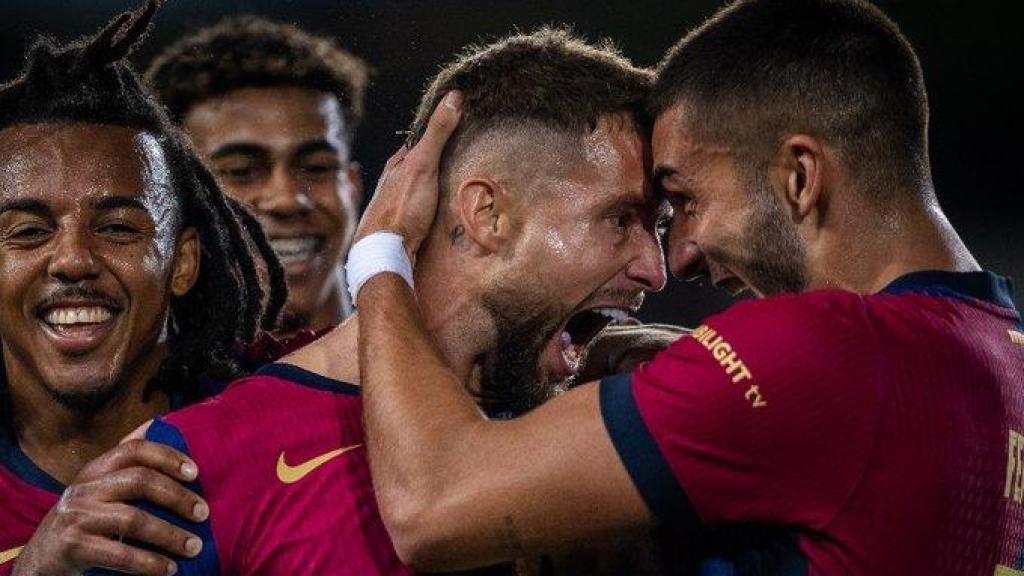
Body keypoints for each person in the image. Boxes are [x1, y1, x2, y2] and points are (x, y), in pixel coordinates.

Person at [350, 0, 1024, 574]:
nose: (681, 255)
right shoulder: (1002, 352)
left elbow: (429, 505)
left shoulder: (826, 350)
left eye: (686, 199)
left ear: (799, 176)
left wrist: (380, 256)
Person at [128, 27, 669, 575]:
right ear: (486, 215)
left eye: (659, 227)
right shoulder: (195, 456)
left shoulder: (585, 428)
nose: (656, 271)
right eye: (621, 219)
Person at [0, 2, 286, 575]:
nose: (74, 260)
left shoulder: (286, 420)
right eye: (29, 231)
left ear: (182, 262)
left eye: (117, 228)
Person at [147, 16, 368, 335]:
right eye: (241, 172)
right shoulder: (125, 380)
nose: (287, 199)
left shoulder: (441, 372)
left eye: (317, 168)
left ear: (352, 186)